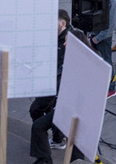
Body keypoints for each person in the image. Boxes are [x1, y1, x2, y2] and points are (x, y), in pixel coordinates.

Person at [28, 10, 85, 164]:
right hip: (56, 88)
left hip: (62, 93)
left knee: (49, 123)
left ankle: (57, 145)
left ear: (62, 23)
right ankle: (49, 150)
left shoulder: (74, 40)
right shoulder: (55, 38)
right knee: (38, 114)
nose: (66, 43)